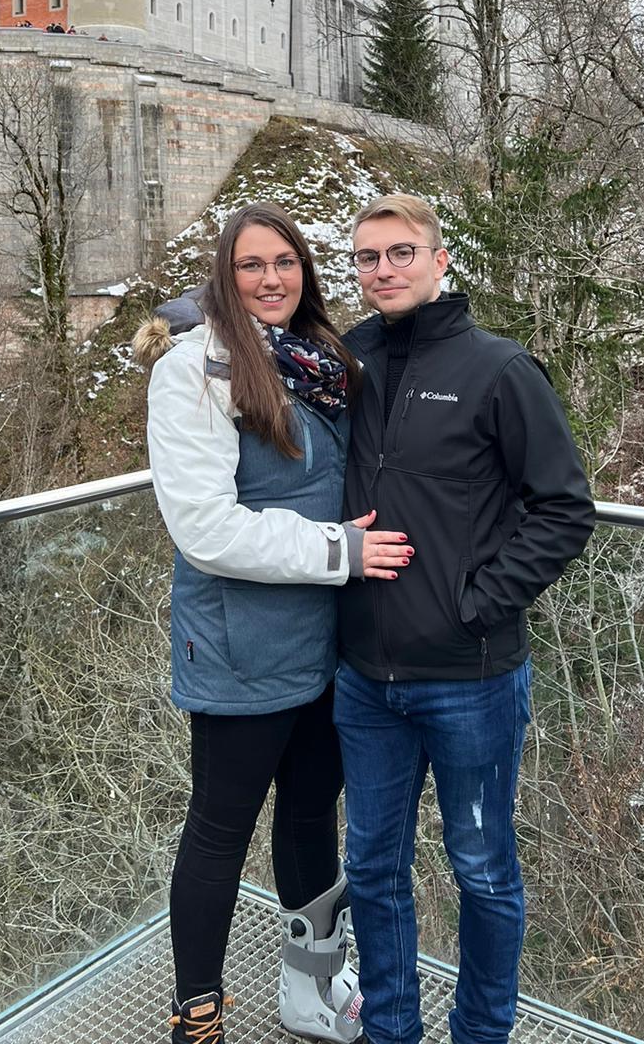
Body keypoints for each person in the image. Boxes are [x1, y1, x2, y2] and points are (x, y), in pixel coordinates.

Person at [135, 202, 412, 1044]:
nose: (270, 279)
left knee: (308, 816)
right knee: (221, 828)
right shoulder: (193, 372)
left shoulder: (321, 361)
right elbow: (206, 529)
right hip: (239, 644)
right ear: (227, 275)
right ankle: (198, 1015)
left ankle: (310, 988)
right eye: (251, 265)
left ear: (305, 272)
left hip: (327, 643)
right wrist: (341, 554)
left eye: (284, 263)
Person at [333, 193, 596, 1044]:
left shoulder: (499, 369)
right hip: (364, 678)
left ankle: (482, 1031)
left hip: (469, 676)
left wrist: (475, 603)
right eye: (369, 257)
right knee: (373, 871)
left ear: (440, 261)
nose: (384, 270)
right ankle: (392, 1031)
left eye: (401, 253)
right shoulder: (348, 366)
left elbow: (563, 509)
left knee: (481, 872)